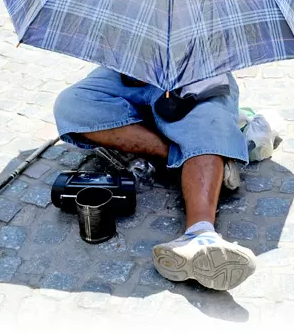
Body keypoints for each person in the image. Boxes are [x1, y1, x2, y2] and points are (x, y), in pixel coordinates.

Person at [54, 68, 257, 291]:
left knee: (211, 123)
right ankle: (190, 156)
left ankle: (200, 234)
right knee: (71, 104)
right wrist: (137, 64)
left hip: (196, 76)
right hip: (129, 76)